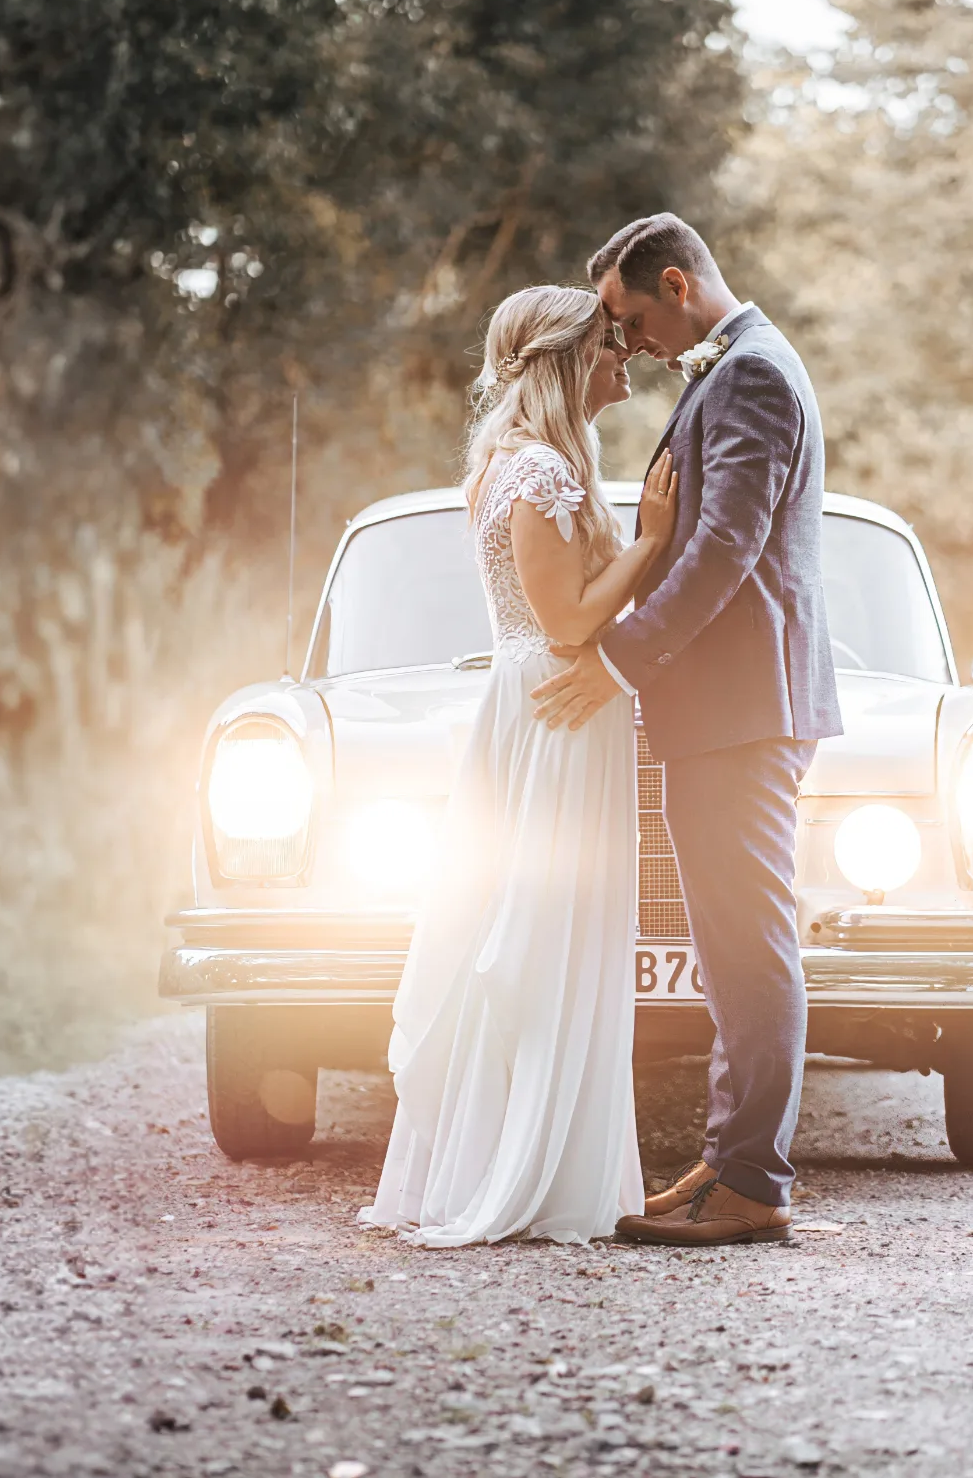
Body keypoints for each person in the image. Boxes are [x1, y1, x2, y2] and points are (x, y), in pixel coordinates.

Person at [531, 213, 843, 1246]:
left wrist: (617, 661)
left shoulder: (751, 374)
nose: (626, 348)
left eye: (627, 321)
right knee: (727, 942)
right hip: (725, 709)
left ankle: (754, 1180)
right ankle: (729, 1157)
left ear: (675, 283)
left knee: (749, 944)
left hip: (743, 710)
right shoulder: (737, 369)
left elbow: (724, 549)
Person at [360, 284, 678, 1246]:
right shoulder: (537, 471)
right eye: (612, 348)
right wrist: (654, 541)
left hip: (537, 704)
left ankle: (539, 1160)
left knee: (545, 936)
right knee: (544, 938)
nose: (625, 363)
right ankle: (529, 1175)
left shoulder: (512, 460)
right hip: (554, 713)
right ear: (569, 359)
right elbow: (569, 621)